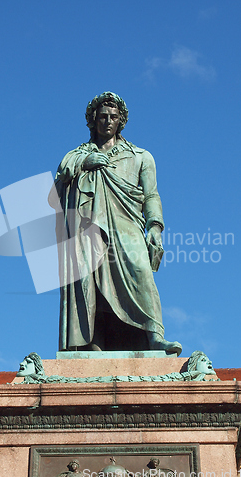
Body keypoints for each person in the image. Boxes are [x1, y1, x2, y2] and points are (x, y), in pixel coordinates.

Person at [49, 92, 182, 354]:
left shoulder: (140, 156)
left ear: (121, 121)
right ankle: (91, 343)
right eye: (102, 117)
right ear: (93, 121)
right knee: (90, 284)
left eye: (113, 117)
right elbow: (56, 190)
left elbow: (152, 195)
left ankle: (154, 335)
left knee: (140, 272)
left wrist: (155, 227)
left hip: (127, 225)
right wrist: (83, 163)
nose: (108, 121)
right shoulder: (78, 155)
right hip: (88, 227)